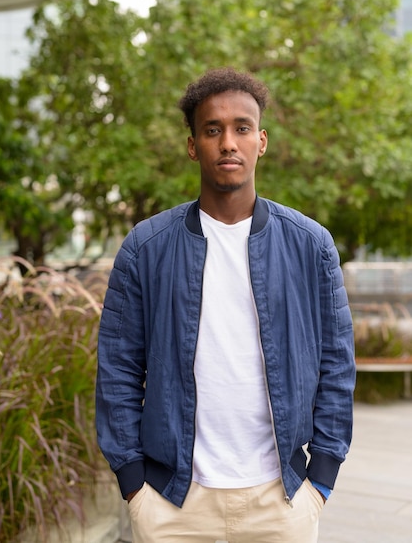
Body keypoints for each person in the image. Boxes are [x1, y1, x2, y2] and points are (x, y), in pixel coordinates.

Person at [95, 67, 356, 543]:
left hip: (281, 500)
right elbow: (117, 368)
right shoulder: (145, 248)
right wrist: (134, 483)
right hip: (173, 502)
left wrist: (322, 475)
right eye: (213, 130)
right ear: (194, 145)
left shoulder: (311, 245)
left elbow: (337, 363)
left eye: (241, 128)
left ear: (262, 141)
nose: (228, 142)